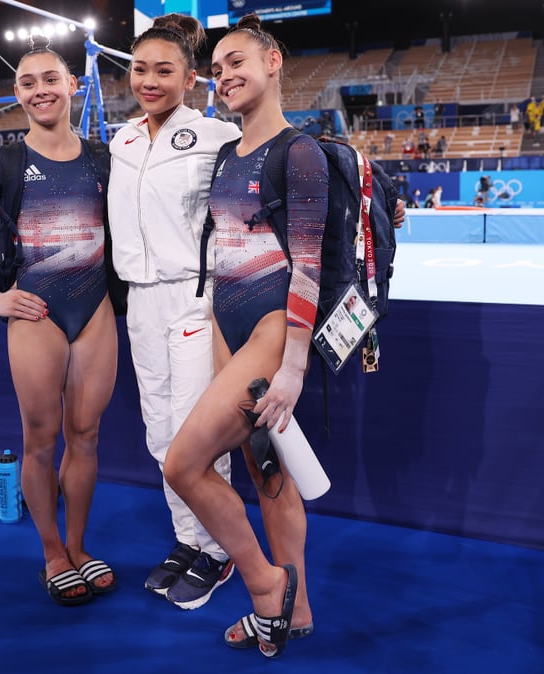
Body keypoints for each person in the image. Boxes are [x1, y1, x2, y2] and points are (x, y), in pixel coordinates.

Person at [163, 13, 327, 658]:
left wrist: (293, 367)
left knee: (183, 464)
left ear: (273, 61)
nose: (226, 75)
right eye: (219, 68)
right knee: (266, 473)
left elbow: (308, 266)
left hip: (271, 326)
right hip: (229, 323)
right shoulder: (229, 154)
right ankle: (300, 611)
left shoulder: (300, 151)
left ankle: (266, 587)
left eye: (238, 62)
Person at [0, 35, 118, 606]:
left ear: (74, 86)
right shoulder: (4, 162)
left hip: (94, 310)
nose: (40, 90)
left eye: (50, 79)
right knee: (40, 441)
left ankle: (79, 544)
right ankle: (50, 550)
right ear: (18, 95)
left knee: (85, 437)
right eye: (27, 82)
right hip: (35, 312)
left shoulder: (103, 159)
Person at [108, 13, 241, 610]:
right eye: (140, 69)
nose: (150, 80)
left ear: (191, 78)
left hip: (194, 296)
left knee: (197, 433)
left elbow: (280, 175)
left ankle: (219, 551)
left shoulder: (217, 137)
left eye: (165, 70)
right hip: (139, 300)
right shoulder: (123, 139)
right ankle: (190, 539)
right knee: (160, 432)